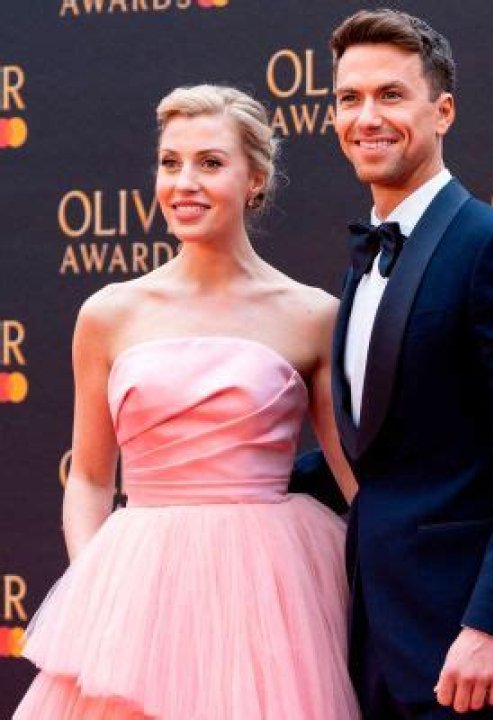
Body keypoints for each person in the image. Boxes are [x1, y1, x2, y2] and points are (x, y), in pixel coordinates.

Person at [14, 84, 360, 720]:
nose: (184, 183)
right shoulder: (108, 315)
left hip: (269, 596)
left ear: (255, 179)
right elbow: (89, 479)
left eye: (210, 162)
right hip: (140, 588)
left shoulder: (313, 316)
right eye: (170, 163)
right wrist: (102, 592)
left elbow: (353, 478)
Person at [328, 9, 493, 719]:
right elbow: (392, 444)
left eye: (391, 95)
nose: (367, 117)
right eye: (350, 98)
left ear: (442, 111)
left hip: (470, 646)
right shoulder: (365, 262)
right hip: (377, 632)